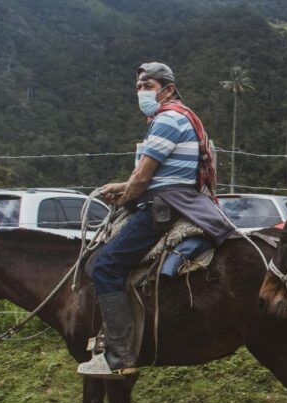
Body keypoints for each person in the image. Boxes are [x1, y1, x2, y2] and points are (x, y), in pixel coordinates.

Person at [78, 62, 232, 379]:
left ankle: (119, 356)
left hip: (163, 205)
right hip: (173, 196)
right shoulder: (179, 117)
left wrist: (125, 195)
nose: (141, 92)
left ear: (168, 88)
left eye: (147, 85)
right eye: (138, 87)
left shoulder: (167, 120)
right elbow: (157, 176)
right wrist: (123, 187)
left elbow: (143, 178)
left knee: (106, 265)